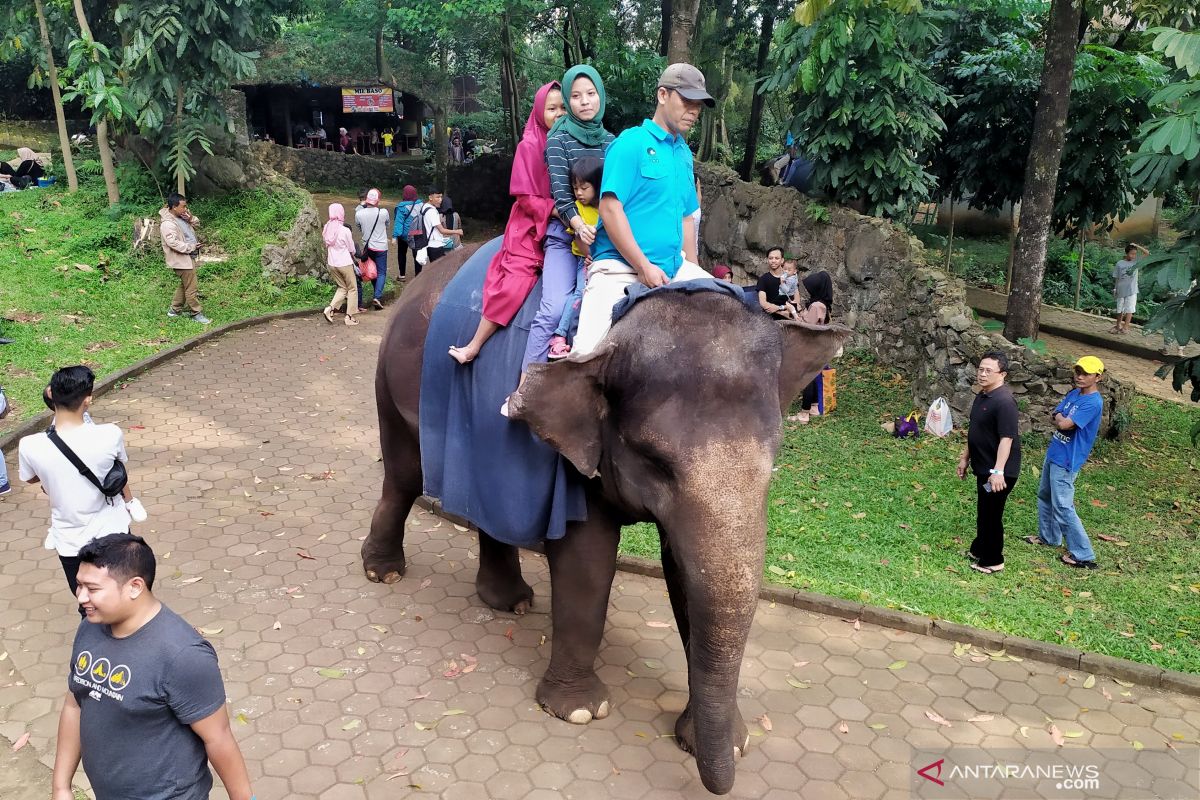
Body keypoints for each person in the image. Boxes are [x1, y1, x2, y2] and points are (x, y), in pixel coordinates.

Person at [51, 533, 254, 800]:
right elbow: (75, 704)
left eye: (93, 588)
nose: (81, 597)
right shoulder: (90, 628)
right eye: (79, 585)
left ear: (135, 586)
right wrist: (61, 786)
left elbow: (219, 739)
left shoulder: (183, 656)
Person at [570, 63, 715, 355]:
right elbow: (610, 209)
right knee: (585, 356)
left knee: (730, 310)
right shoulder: (631, 144)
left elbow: (687, 218)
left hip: (674, 267)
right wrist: (642, 266)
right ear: (663, 95)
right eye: (686, 101)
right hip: (620, 268)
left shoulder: (684, 154)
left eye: (698, 105)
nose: (694, 111)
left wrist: (696, 272)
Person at [448, 82, 564, 365]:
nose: (558, 113)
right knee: (516, 281)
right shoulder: (530, 145)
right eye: (551, 108)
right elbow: (525, 197)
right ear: (539, 112)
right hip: (531, 224)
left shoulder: (571, 143)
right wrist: (556, 210)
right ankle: (474, 345)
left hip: (568, 223)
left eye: (563, 108)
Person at [17, 367, 136, 603]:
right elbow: (119, 468)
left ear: (50, 393)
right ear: (87, 400)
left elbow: (30, 478)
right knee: (126, 598)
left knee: (87, 602)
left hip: (69, 539)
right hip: (114, 531)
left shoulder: (30, 445)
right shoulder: (110, 434)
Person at [528, 64, 617, 368]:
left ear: (600, 96)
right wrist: (580, 227)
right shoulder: (558, 140)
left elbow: (615, 196)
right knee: (553, 309)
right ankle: (527, 383)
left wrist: (603, 240)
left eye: (591, 93)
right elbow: (561, 195)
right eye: (576, 96)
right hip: (567, 235)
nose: (585, 101)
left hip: (605, 236)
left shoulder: (612, 143)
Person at [1028, 356, 1106, 570]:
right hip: (1054, 452)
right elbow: (1055, 416)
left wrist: (1060, 420)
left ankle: (1084, 554)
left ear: (1098, 377)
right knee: (1045, 495)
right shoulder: (1074, 394)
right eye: (1078, 371)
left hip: (1067, 460)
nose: (1080, 376)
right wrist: (1060, 419)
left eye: (1086, 373)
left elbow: (1064, 424)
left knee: (1063, 505)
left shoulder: (1093, 402)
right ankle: (1049, 537)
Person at [957, 351, 1021, 575]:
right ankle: (980, 548)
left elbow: (1007, 439)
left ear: (1002, 374)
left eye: (988, 371)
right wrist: (965, 458)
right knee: (984, 511)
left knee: (992, 514)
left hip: (1000, 472)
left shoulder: (1004, 402)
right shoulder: (983, 396)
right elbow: (975, 430)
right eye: (980, 369)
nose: (982, 374)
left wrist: (998, 471)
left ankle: (994, 559)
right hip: (983, 468)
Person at [548, 157, 603, 359]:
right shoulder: (577, 212)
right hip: (586, 260)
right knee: (581, 292)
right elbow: (578, 237)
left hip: (602, 260)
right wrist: (591, 257)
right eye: (575, 187)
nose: (579, 193)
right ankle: (560, 336)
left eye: (584, 187)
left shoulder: (605, 208)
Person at [790, 271, 835, 424]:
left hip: (811, 348)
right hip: (819, 348)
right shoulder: (823, 304)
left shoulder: (816, 306)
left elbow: (806, 326)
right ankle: (814, 407)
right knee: (814, 376)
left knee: (806, 379)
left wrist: (794, 313)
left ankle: (804, 413)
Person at [160, 193, 211, 325]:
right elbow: (173, 243)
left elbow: (197, 224)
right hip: (181, 260)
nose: (186, 209)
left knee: (185, 285)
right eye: (183, 206)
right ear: (174, 207)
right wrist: (191, 247)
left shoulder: (181, 216)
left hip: (187, 258)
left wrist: (190, 218)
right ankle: (196, 313)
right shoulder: (167, 223)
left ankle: (174, 310)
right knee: (191, 288)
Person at [321, 203, 360, 326]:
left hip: (332, 264)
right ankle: (349, 317)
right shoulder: (345, 230)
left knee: (342, 287)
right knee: (352, 288)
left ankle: (330, 308)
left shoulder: (326, 228)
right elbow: (352, 249)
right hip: (345, 263)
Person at [355, 188, 391, 311]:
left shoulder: (359, 213)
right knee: (381, 272)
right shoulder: (383, 212)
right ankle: (377, 296)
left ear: (366, 200)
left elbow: (359, 227)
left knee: (372, 269)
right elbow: (387, 225)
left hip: (368, 247)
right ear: (377, 200)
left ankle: (377, 295)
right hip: (381, 247)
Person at [419, 188, 464, 267]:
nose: (440, 200)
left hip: (429, 243)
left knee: (435, 267)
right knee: (439, 270)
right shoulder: (432, 212)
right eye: (437, 197)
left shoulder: (425, 206)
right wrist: (457, 231)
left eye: (441, 197)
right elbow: (442, 230)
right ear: (430, 197)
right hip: (435, 245)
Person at [1111, 243, 1147, 334]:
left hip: (1132, 290)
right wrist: (1115, 289)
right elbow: (1117, 278)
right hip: (1120, 289)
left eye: (1135, 254)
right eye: (1131, 253)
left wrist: (1137, 245)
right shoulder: (1119, 263)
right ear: (1126, 253)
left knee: (1130, 309)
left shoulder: (1136, 261)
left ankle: (1126, 327)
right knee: (1119, 309)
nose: (1133, 256)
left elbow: (1147, 253)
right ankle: (1118, 325)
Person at [757, 247, 796, 320]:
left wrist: (788, 310)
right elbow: (763, 303)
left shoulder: (790, 278)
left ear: (782, 260)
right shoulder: (763, 279)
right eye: (770, 258)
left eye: (777, 258)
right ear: (767, 260)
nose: (773, 261)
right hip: (769, 318)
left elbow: (796, 300)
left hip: (790, 316)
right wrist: (781, 309)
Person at [393, 185, 422, 281]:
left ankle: (402, 275)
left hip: (405, 235)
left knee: (402, 253)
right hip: (417, 233)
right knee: (417, 254)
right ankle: (418, 277)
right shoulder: (421, 204)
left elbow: (399, 222)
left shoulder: (402, 207)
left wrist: (395, 236)